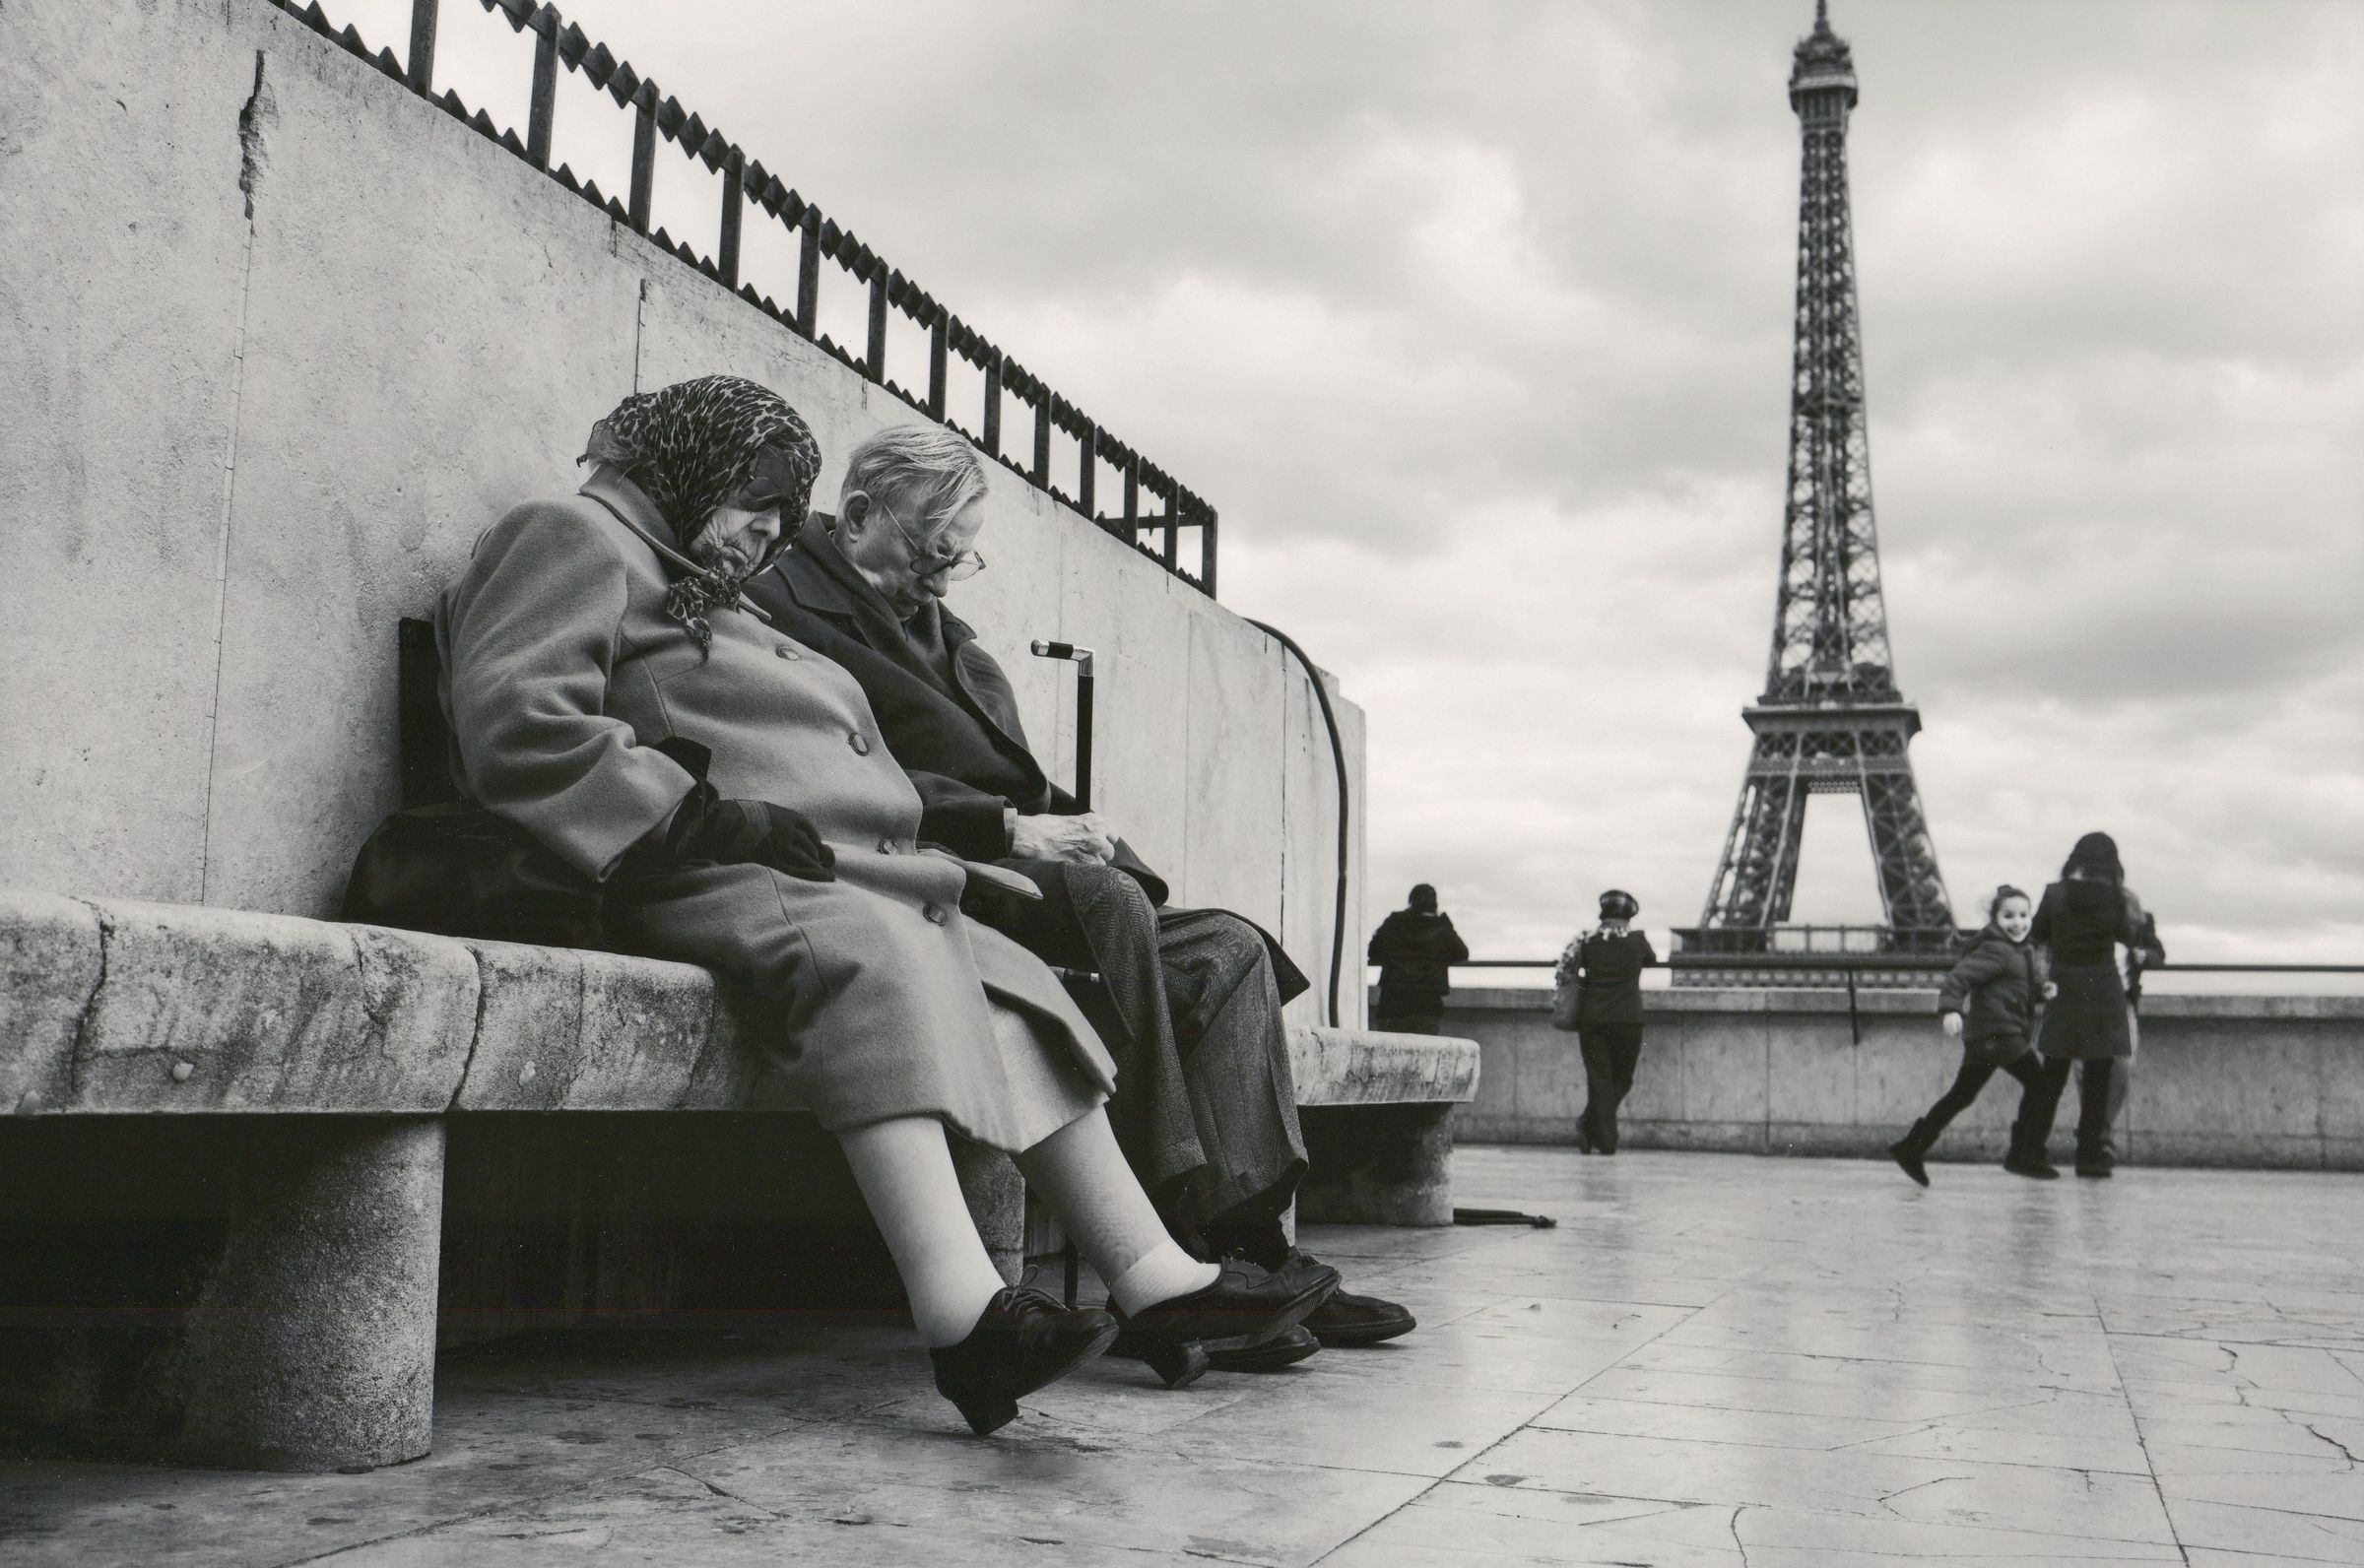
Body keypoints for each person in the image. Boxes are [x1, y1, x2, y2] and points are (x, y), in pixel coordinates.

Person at [434, 376, 1332, 1434]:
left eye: (783, 516)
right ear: (690, 472)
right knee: (880, 953)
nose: (769, 536)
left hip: (807, 862)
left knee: (1011, 981)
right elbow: (520, 724)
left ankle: (1154, 1277)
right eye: (757, 506)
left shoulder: (691, 575)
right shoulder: (571, 536)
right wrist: (709, 817)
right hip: (695, 862)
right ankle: (964, 1316)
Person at [740, 423, 1414, 1362]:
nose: (946, 581)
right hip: (928, 863)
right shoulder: (780, 605)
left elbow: (1023, 778)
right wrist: (1005, 829)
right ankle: (1177, 1263)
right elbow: (822, 766)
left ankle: (1252, 1251)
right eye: (933, 555)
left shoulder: (938, 624)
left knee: (1228, 947)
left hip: (1020, 861)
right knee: (1109, 908)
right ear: (858, 517)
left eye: (961, 558)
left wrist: (1098, 842)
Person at [1888, 885, 2057, 1185]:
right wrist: (1950, 1009)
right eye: (2008, 916)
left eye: (2023, 915)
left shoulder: (2018, 950)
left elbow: (2012, 988)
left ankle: (1911, 1147)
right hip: (1998, 1034)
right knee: (2041, 1086)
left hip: (1986, 1035)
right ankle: (2022, 1155)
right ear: (1995, 919)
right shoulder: (1997, 949)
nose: (2017, 922)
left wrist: (2041, 991)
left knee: (1962, 1095)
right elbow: (1958, 979)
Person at [2020, 831, 2164, 1178]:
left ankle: (2032, 1150)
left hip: (2065, 988)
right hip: (2102, 988)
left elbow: (2036, 936)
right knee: (2099, 1075)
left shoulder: (2054, 894)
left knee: (2052, 1076)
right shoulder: (2118, 898)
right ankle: (2089, 1154)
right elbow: (2132, 936)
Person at [1555, 890, 1656, 1154]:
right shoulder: (1638, 941)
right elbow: (1652, 959)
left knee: (1599, 1078)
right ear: (1630, 915)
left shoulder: (1587, 941)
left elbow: (1565, 969)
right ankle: (1597, 1133)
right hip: (1628, 1020)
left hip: (1593, 1019)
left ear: (1602, 913)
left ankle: (1598, 1134)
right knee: (1623, 1078)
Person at [1367, 884, 1470, 1034]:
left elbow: (1373, 952)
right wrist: (1447, 926)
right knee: (1427, 1047)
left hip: (1392, 1002)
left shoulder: (1394, 924)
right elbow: (1462, 953)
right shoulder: (1442, 929)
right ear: (1434, 904)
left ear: (1411, 902)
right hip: (1427, 1005)